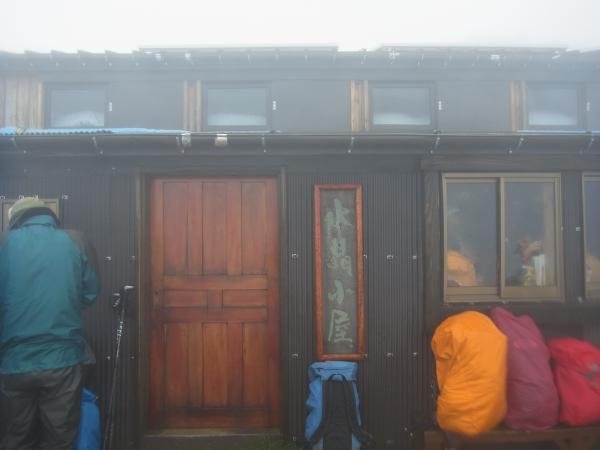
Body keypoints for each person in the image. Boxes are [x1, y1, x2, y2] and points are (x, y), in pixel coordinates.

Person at [0, 197, 99, 450]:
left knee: (16, 438)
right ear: (48, 216)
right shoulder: (76, 240)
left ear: (16, 220)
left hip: (14, 362)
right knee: (60, 439)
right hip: (63, 360)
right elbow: (90, 294)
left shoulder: (3, 242)